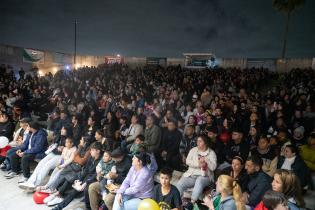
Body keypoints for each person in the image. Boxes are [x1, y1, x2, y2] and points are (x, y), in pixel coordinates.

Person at [48, 142, 103, 210]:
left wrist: (85, 183)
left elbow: (95, 175)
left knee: (79, 191)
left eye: (92, 150)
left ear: (98, 151)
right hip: (86, 178)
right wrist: (79, 180)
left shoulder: (101, 160)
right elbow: (85, 170)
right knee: (72, 185)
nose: (90, 152)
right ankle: (58, 204)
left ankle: (59, 204)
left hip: (93, 180)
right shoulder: (91, 158)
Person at [176, 135, 217, 204]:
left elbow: (213, 167)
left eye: (200, 141)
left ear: (205, 143)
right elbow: (187, 161)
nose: (197, 143)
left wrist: (206, 160)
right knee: (181, 183)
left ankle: (192, 202)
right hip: (192, 175)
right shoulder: (193, 150)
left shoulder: (211, 153)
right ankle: (176, 202)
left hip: (205, 177)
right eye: (197, 141)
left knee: (199, 180)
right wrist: (198, 164)